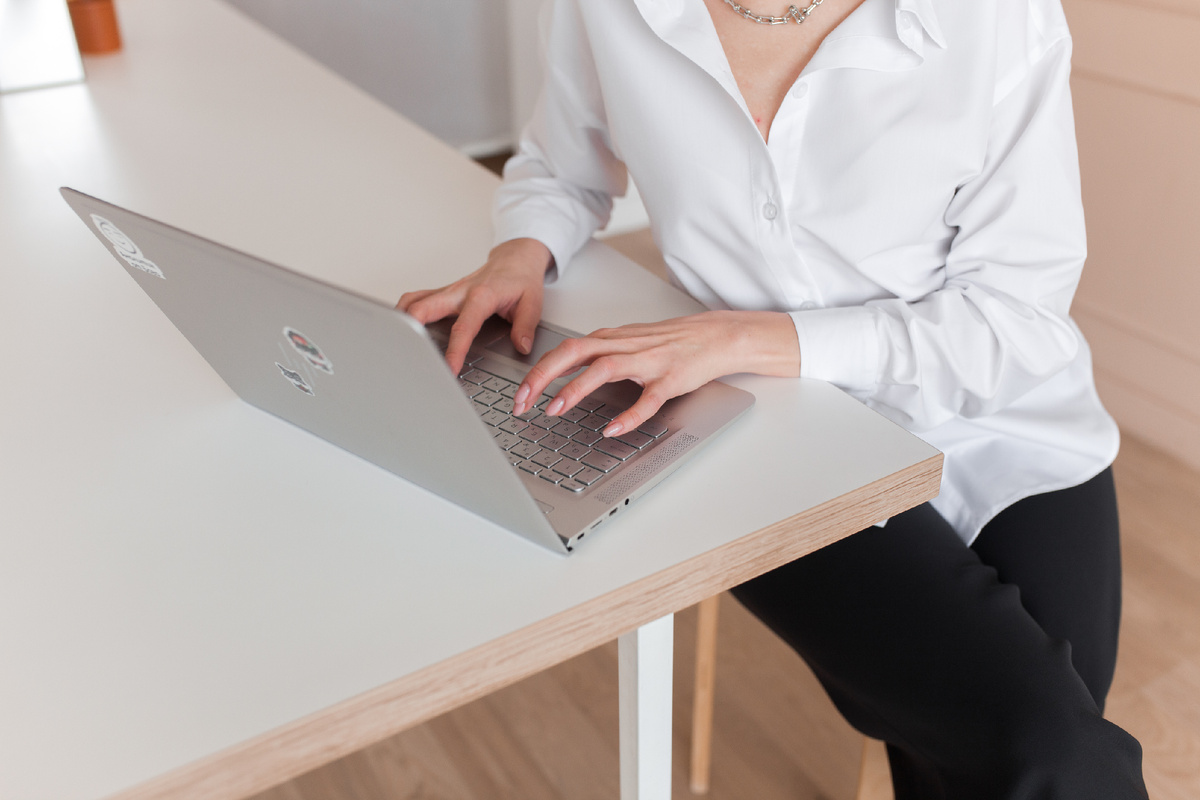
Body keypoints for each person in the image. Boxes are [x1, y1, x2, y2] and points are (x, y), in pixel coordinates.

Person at [398, 1, 1150, 796]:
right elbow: (563, 169)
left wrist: (745, 338)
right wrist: (521, 252)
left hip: (1011, 424)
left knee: (1034, 733)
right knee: (1043, 744)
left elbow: (1019, 321)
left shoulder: (998, 15)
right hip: (768, 437)